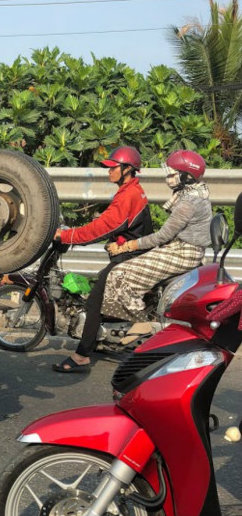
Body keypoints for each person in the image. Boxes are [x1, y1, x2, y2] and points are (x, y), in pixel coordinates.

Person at [52, 145, 152, 375]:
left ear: (127, 169)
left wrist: (67, 235)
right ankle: (101, 337)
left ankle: (81, 355)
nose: (108, 171)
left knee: (93, 302)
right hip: (128, 252)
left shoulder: (128, 196)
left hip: (129, 257)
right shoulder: (131, 191)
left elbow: (101, 228)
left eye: (112, 168)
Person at [102, 149, 212, 320]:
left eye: (172, 174)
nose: (167, 178)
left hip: (182, 254)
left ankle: (139, 323)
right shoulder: (193, 194)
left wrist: (127, 246)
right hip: (182, 250)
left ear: (186, 176)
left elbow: (162, 236)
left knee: (119, 274)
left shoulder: (189, 202)